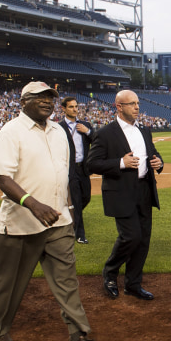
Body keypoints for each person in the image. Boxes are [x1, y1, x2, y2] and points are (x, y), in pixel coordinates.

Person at [0, 81, 97, 341]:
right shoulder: (11, 132)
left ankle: (78, 333)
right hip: (20, 224)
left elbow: (62, 172)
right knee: (9, 286)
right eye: (40, 97)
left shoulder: (59, 131)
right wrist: (34, 204)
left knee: (67, 282)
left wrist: (68, 204)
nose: (47, 101)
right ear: (23, 102)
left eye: (50, 97)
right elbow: (2, 178)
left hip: (58, 223)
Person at [87, 89, 163, 301]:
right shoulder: (105, 133)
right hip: (121, 192)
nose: (137, 107)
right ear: (119, 107)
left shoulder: (144, 130)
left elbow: (153, 153)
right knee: (131, 236)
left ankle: (133, 284)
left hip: (145, 190)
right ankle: (110, 273)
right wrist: (121, 162)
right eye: (131, 104)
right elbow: (91, 164)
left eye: (137, 103)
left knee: (143, 239)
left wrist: (159, 162)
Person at [59, 97, 94, 244]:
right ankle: (80, 234)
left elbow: (98, 140)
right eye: (71, 107)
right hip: (70, 170)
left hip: (84, 169)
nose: (75, 109)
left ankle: (71, 215)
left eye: (76, 106)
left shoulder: (84, 125)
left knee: (86, 197)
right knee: (77, 201)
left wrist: (88, 132)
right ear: (63, 109)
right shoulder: (59, 127)